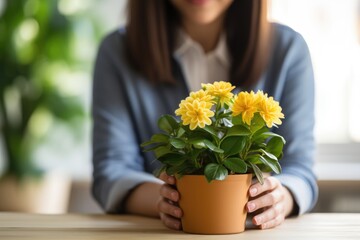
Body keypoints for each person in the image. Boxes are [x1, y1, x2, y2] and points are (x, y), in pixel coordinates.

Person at [92, 0, 318, 230]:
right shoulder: (118, 51)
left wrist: (280, 198)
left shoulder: (288, 49)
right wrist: (165, 201)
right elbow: (111, 172)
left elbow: (299, 169)